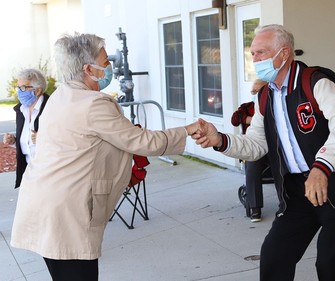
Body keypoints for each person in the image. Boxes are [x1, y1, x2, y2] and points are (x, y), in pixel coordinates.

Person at [10, 33, 200, 281]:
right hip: (67, 211)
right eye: (105, 61)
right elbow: (142, 142)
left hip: (43, 202)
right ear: (88, 68)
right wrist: (187, 130)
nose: (110, 66)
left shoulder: (60, 95)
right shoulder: (93, 104)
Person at [193, 24, 335, 281]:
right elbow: (257, 144)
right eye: (253, 53)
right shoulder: (265, 96)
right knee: (274, 257)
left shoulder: (316, 82)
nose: (254, 59)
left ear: (284, 53)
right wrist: (220, 140)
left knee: (331, 266)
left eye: (261, 52)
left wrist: (321, 167)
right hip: (297, 192)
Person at [231, 79, 270, 222]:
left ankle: (287, 205)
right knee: (252, 166)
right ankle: (255, 209)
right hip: (254, 146)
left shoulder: (275, 104)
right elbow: (235, 119)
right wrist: (256, 120)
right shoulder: (248, 106)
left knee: (284, 166)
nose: (255, 94)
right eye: (253, 92)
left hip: (274, 146)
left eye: (258, 91)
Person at [2, 68, 49, 188]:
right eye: (18, 88)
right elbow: (27, 143)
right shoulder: (21, 110)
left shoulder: (51, 108)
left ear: (38, 91)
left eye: (23, 88)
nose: (19, 92)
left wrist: (44, 139)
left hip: (49, 174)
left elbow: (64, 139)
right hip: (29, 174)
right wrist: (14, 141)